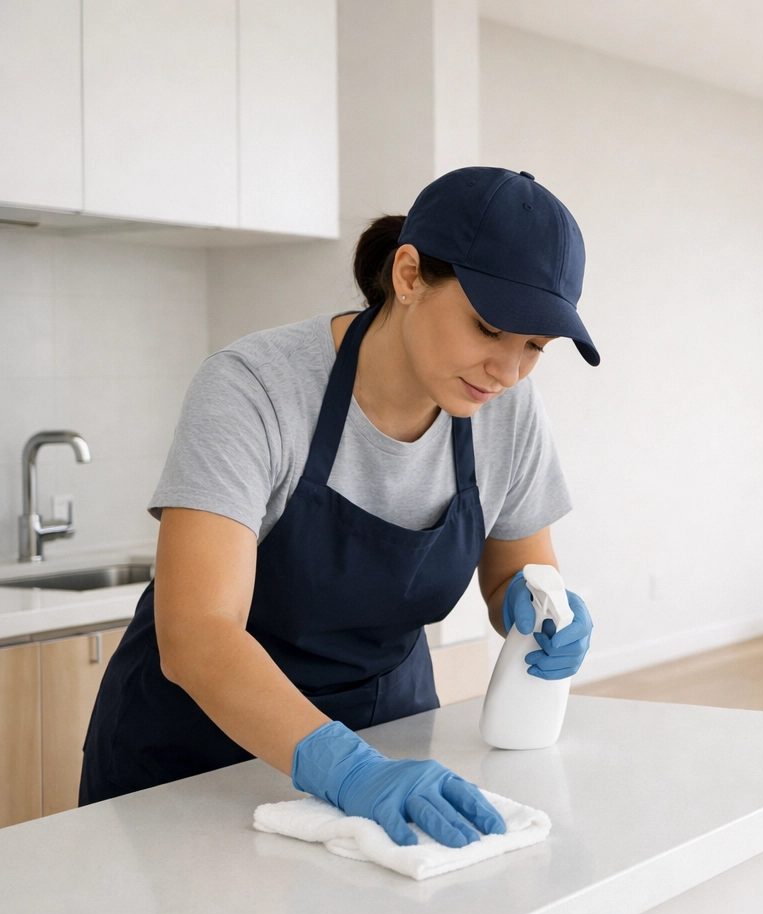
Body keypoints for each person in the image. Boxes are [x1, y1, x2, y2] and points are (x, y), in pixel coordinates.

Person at [80, 167, 596, 848]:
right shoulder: (254, 389)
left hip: (390, 751)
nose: (507, 371)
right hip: (195, 764)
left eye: (535, 347)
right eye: (489, 327)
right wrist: (345, 768)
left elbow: (514, 575)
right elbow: (197, 635)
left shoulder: (507, 412)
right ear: (408, 276)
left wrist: (539, 613)